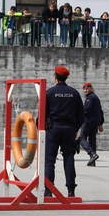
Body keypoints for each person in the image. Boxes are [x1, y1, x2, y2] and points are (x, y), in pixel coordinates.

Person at [44, 65, 84, 197]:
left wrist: (42, 129)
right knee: (68, 158)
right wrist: (75, 129)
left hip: (53, 129)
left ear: (55, 77)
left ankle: (48, 190)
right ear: (66, 77)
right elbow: (81, 115)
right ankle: (71, 191)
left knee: (50, 160)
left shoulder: (49, 93)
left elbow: (42, 114)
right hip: (69, 129)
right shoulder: (74, 93)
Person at [75, 82, 103, 167]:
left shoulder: (90, 98)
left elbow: (86, 110)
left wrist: (79, 114)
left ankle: (92, 154)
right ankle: (92, 161)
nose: (85, 90)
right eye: (84, 89)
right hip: (94, 123)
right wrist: (100, 123)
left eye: (87, 88)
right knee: (92, 141)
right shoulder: (96, 98)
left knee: (82, 139)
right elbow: (100, 112)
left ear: (91, 88)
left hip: (88, 122)